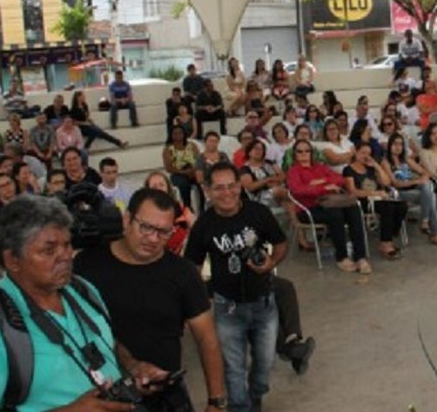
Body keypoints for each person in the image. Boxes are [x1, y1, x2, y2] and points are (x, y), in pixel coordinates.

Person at [0, 195, 140, 412]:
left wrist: (134, 369)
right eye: (49, 250)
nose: (65, 256)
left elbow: (106, 343)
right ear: (12, 261)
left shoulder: (83, 290)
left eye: (67, 245)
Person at [74, 188, 227, 412]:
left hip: (167, 396)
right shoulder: (87, 265)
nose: (153, 239)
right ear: (127, 219)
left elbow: (206, 338)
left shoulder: (183, 273)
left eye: (164, 232)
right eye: (146, 227)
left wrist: (217, 401)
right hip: (103, 397)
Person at [185, 162, 288, 412]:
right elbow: (191, 267)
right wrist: (198, 300)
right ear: (208, 190)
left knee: (265, 364)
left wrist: (271, 262)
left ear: (240, 186)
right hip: (226, 308)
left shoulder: (259, 213)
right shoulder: (204, 224)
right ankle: (240, 406)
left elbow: (281, 243)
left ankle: (256, 394)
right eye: (219, 188)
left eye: (231, 186)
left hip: (264, 302)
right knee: (233, 367)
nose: (226, 193)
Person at [286, 140, 370, 273]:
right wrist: (323, 187)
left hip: (330, 203)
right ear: (294, 154)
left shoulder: (320, 167)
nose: (304, 154)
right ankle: (341, 257)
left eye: (307, 151)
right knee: (336, 215)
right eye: (299, 151)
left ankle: (360, 256)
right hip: (308, 209)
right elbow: (298, 190)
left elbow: (339, 179)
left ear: (312, 153)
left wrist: (319, 182)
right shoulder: (293, 171)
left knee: (354, 210)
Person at [344, 142, 407, 259]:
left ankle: (389, 236)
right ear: (356, 153)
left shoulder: (370, 168)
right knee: (388, 208)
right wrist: (374, 193)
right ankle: (385, 243)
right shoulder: (348, 170)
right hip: (363, 200)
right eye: (362, 153)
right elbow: (352, 191)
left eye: (368, 153)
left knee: (402, 205)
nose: (365, 156)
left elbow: (387, 182)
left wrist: (377, 166)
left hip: (379, 199)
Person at [382, 132, 437, 243]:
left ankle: (425, 221)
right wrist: (417, 180)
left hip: (412, 188)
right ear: (389, 145)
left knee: (427, 187)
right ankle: (434, 232)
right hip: (398, 192)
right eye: (395, 144)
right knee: (430, 196)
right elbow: (395, 183)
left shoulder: (405, 159)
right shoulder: (385, 162)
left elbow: (424, 172)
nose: (398, 147)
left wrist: (424, 176)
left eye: (400, 144)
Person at [144, 171, 197, 256]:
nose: (159, 189)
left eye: (161, 185)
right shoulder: (143, 216)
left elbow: (197, 230)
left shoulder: (181, 208)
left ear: (168, 188)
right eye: (154, 186)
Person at [163, 125, 200, 212]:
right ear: (171, 135)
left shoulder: (192, 145)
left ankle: (202, 206)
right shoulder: (168, 149)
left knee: (201, 181)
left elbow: (199, 160)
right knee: (183, 184)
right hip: (178, 173)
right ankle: (187, 207)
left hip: (193, 170)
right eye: (175, 133)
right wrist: (183, 172)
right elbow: (168, 168)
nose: (178, 135)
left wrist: (192, 170)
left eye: (180, 133)